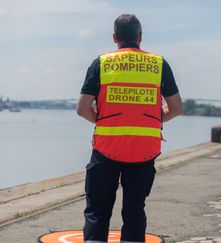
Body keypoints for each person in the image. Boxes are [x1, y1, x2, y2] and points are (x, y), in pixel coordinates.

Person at [76, 14, 183, 243]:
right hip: (144, 151)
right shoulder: (158, 64)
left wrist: (104, 121)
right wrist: (154, 119)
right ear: (140, 37)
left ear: (115, 38)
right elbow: (176, 108)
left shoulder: (102, 63)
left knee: (97, 210)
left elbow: (82, 109)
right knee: (135, 209)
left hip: (107, 149)